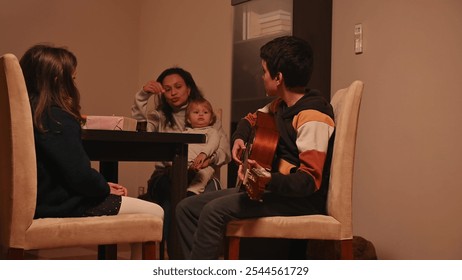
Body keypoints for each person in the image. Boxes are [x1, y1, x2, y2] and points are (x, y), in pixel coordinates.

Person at [175, 35, 336, 259]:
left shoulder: (312, 117)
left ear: (278, 77)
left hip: (299, 200)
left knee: (213, 211)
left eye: (264, 71)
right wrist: (240, 138)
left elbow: (308, 181)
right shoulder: (281, 105)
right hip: (274, 190)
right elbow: (250, 120)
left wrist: (267, 179)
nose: (261, 77)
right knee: (187, 208)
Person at [20, 44, 164, 259]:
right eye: (73, 78)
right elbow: (79, 175)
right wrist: (102, 189)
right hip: (59, 204)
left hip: (36, 200)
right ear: (59, 81)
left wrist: (102, 185)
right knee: (155, 212)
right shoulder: (57, 118)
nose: (74, 83)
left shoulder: (26, 114)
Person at [131, 67, 231, 253]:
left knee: (207, 195)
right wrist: (143, 96)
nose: (173, 92)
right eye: (167, 89)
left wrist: (208, 159)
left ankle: (203, 258)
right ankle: (176, 257)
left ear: (189, 88)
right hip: (165, 176)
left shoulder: (206, 114)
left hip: (201, 174)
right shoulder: (158, 116)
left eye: (178, 86)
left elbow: (225, 151)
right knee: (173, 195)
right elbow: (141, 129)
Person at [184, 97, 221, 196]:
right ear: (188, 119)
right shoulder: (185, 132)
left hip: (204, 165)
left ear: (211, 119)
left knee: (205, 174)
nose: (201, 114)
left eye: (205, 112)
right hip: (185, 165)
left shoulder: (212, 131)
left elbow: (213, 144)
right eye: (196, 112)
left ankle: (192, 191)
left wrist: (204, 154)